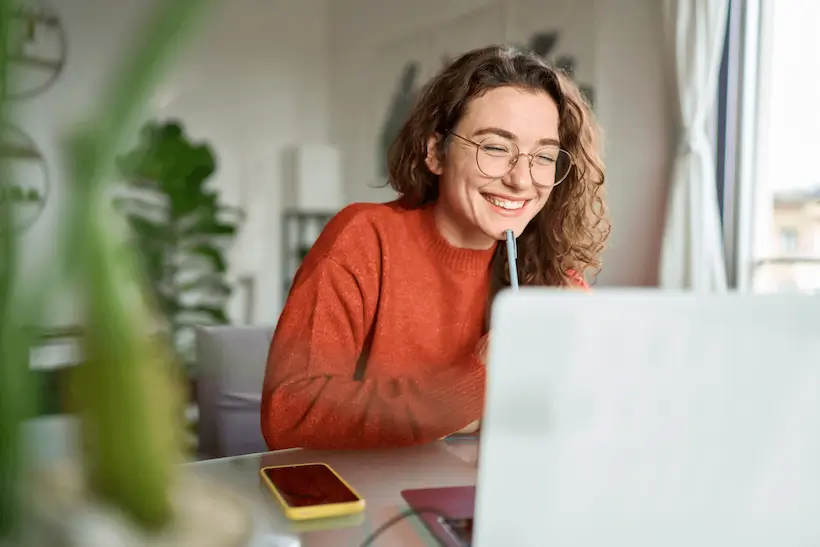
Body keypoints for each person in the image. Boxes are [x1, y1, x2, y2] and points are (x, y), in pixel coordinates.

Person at [261, 45, 609, 450]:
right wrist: (473, 383)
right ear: (435, 153)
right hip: (366, 502)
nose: (521, 179)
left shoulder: (550, 272)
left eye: (544, 156)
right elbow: (290, 414)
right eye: (495, 148)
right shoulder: (364, 239)